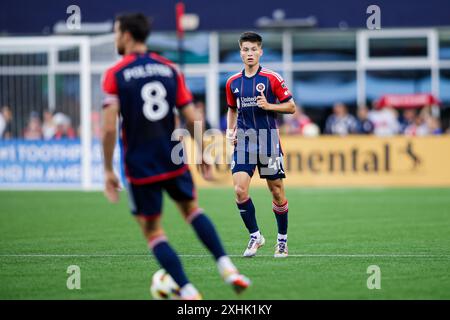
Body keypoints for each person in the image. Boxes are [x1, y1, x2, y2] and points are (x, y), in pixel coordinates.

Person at [101, 13, 249, 300]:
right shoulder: (169, 69)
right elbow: (191, 115)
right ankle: (228, 267)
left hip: (139, 163)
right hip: (172, 155)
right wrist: (203, 152)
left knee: (153, 230)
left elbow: (108, 128)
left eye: (117, 32)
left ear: (128, 36)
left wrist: (108, 168)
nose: (115, 37)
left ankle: (189, 290)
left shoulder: (115, 74)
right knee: (192, 210)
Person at [225, 32, 296, 258]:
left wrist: (269, 106)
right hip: (244, 142)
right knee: (239, 190)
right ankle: (255, 236)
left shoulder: (272, 78)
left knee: (277, 192)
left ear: (260, 52)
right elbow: (232, 108)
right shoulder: (232, 82)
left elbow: (291, 106)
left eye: (253, 49)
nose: (249, 53)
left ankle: (282, 241)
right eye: (245, 49)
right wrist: (230, 131)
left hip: (268, 140)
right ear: (240, 52)